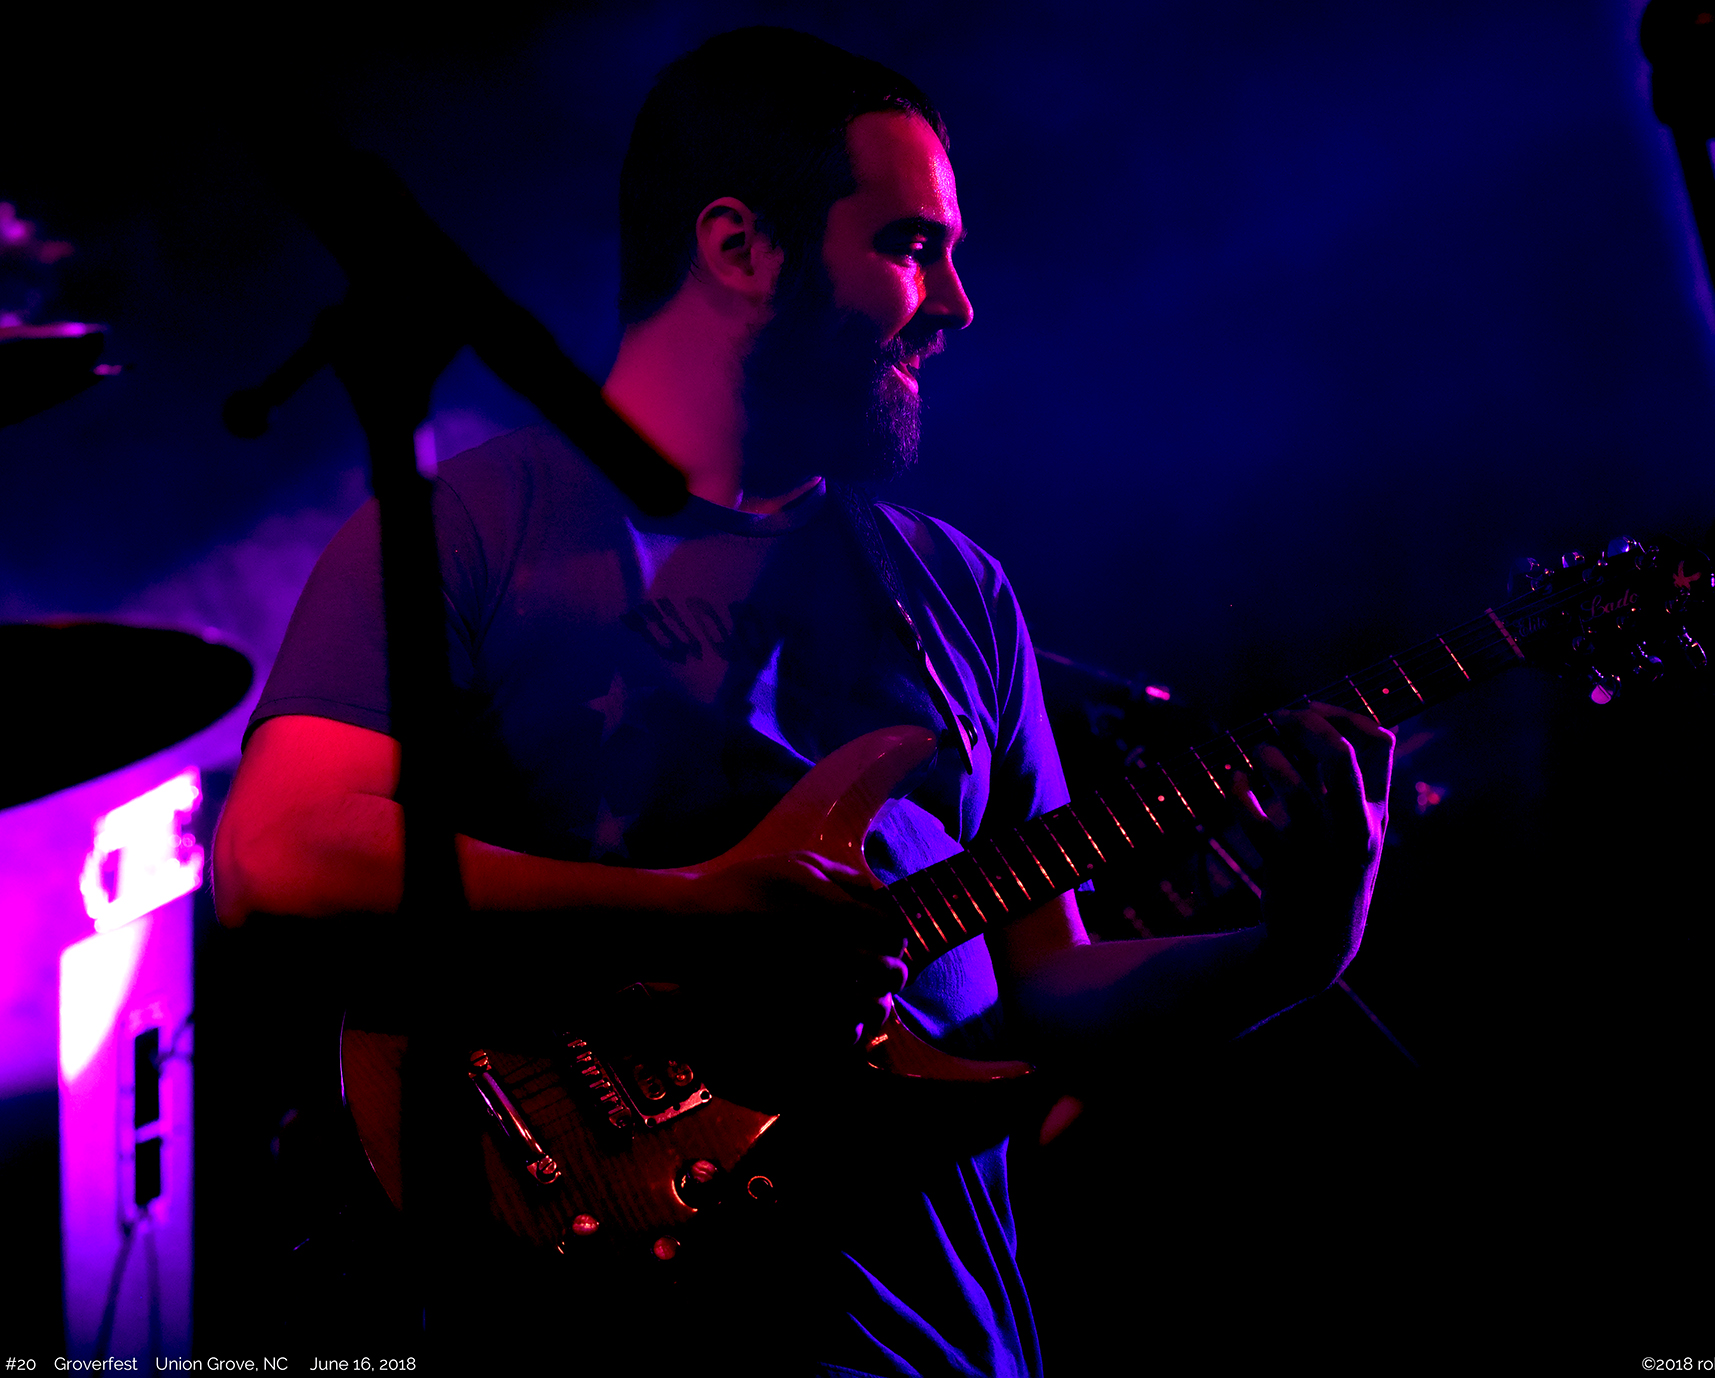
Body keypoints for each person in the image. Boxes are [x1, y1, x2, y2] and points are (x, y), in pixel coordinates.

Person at [213, 26, 1394, 1377]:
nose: (957, 305)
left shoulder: (957, 589)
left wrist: (1295, 951)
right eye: (910, 246)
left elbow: (1047, 988)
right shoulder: (469, 528)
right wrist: (694, 910)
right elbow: (274, 856)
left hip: (947, 1341)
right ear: (740, 248)